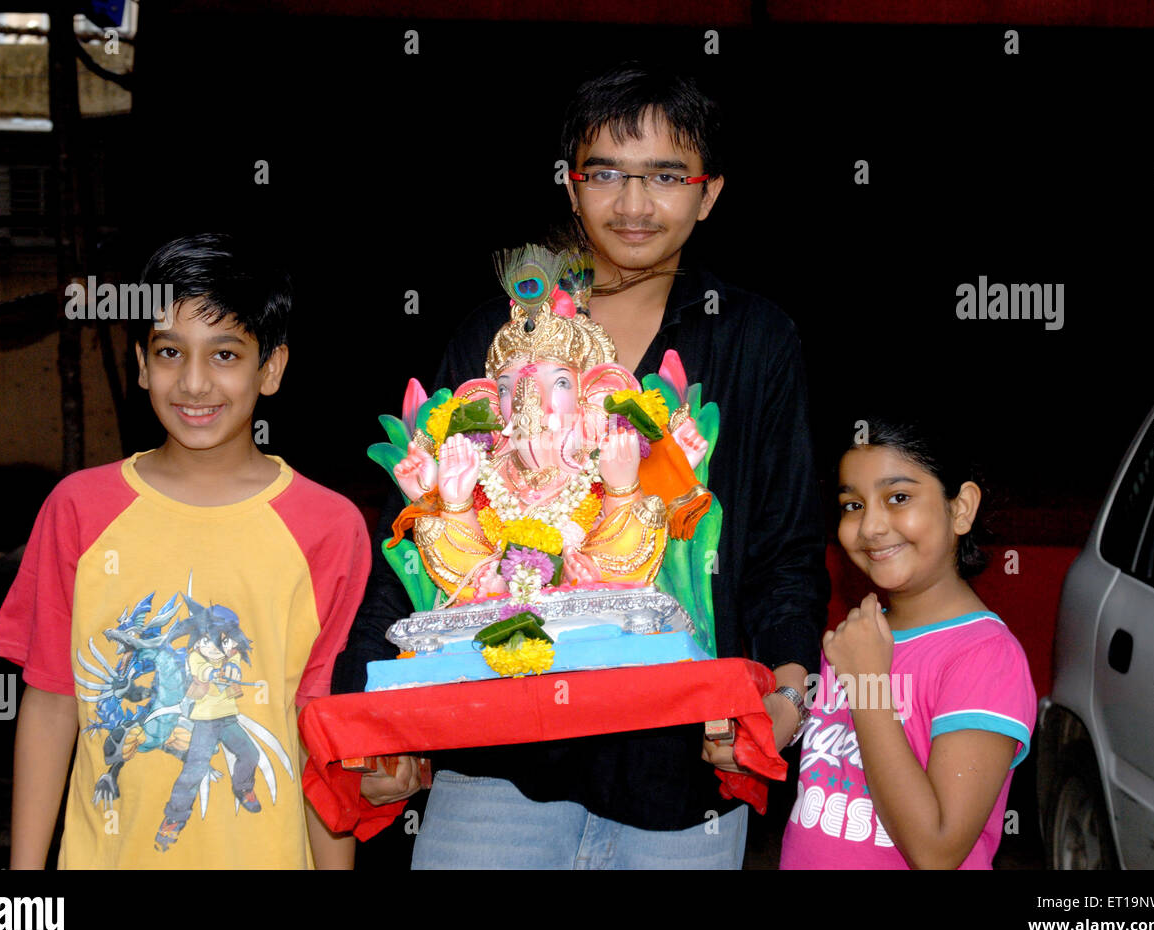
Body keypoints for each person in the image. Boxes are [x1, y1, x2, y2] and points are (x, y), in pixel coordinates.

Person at [333, 63, 829, 869]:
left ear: (709, 194)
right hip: (495, 765)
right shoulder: (494, 339)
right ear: (571, 185)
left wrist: (783, 695)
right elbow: (415, 533)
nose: (635, 204)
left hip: (682, 772)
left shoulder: (756, 341)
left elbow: (786, 550)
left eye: (666, 176)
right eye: (607, 174)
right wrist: (375, 722)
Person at [0, 233, 366, 869]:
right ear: (141, 363)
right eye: (169, 352)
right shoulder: (79, 510)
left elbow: (321, 733)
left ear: (269, 368)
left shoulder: (328, 527)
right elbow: (52, 702)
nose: (194, 383)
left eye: (224, 354)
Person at [779, 417, 1036, 869]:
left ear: (961, 508)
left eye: (898, 498)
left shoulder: (986, 657)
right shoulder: (855, 638)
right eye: (853, 505)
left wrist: (867, 687)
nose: (872, 526)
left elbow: (936, 851)